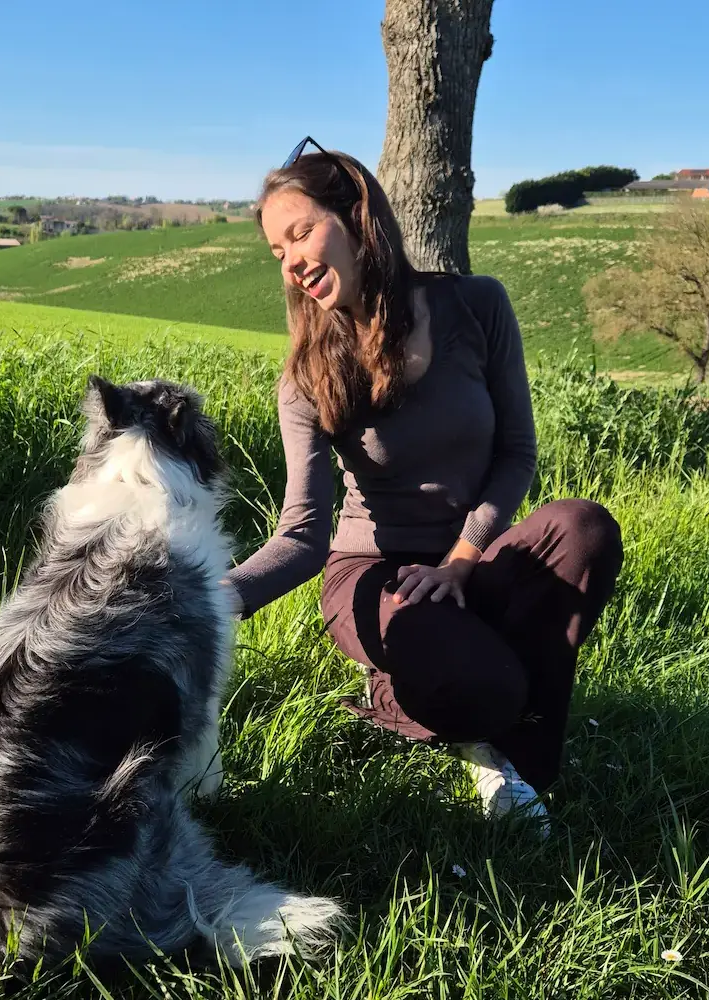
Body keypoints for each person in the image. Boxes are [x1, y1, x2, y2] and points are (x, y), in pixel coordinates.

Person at [221, 137, 624, 833]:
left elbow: (517, 453)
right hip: (373, 576)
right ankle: (408, 693)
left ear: (357, 214)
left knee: (583, 528)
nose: (292, 263)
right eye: (277, 254)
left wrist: (463, 560)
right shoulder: (306, 378)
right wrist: (200, 602)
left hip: (469, 563)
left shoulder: (477, 306)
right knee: (482, 684)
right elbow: (302, 534)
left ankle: (510, 753)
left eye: (301, 233)